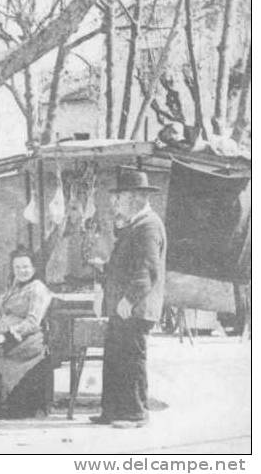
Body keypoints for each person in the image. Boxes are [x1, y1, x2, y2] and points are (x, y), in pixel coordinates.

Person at [90, 168, 167, 429]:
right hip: (123, 306)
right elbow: (128, 264)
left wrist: (130, 299)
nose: (115, 203)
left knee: (131, 360)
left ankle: (136, 414)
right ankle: (112, 411)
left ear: (135, 198)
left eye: (119, 198)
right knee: (115, 358)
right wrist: (105, 268)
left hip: (135, 307)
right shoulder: (135, 225)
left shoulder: (149, 225)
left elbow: (148, 269)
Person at [0, 248, 53, 419]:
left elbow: (33, 322)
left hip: (26, 341)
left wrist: (7, 336)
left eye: (26, 267)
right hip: (8, 338)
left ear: (34, 268)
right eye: (17, 268)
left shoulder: (37, 289)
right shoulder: (16, 287)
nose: (22, 271)